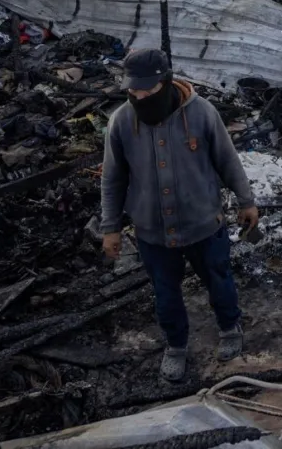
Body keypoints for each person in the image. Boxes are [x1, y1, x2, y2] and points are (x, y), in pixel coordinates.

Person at [101, 49, 259, 381]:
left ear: (166, 82)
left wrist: (246, 201)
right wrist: (111, 226)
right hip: (152, 231)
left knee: (218, 279)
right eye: (133, 91)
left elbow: (227, 160)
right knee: (165, 292)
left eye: (148, 90)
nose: (140, 97)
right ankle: (176, 346)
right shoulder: (122, 122)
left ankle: (229, 327)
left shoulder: (201, 113)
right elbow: (113, 180)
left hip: (204, 223)